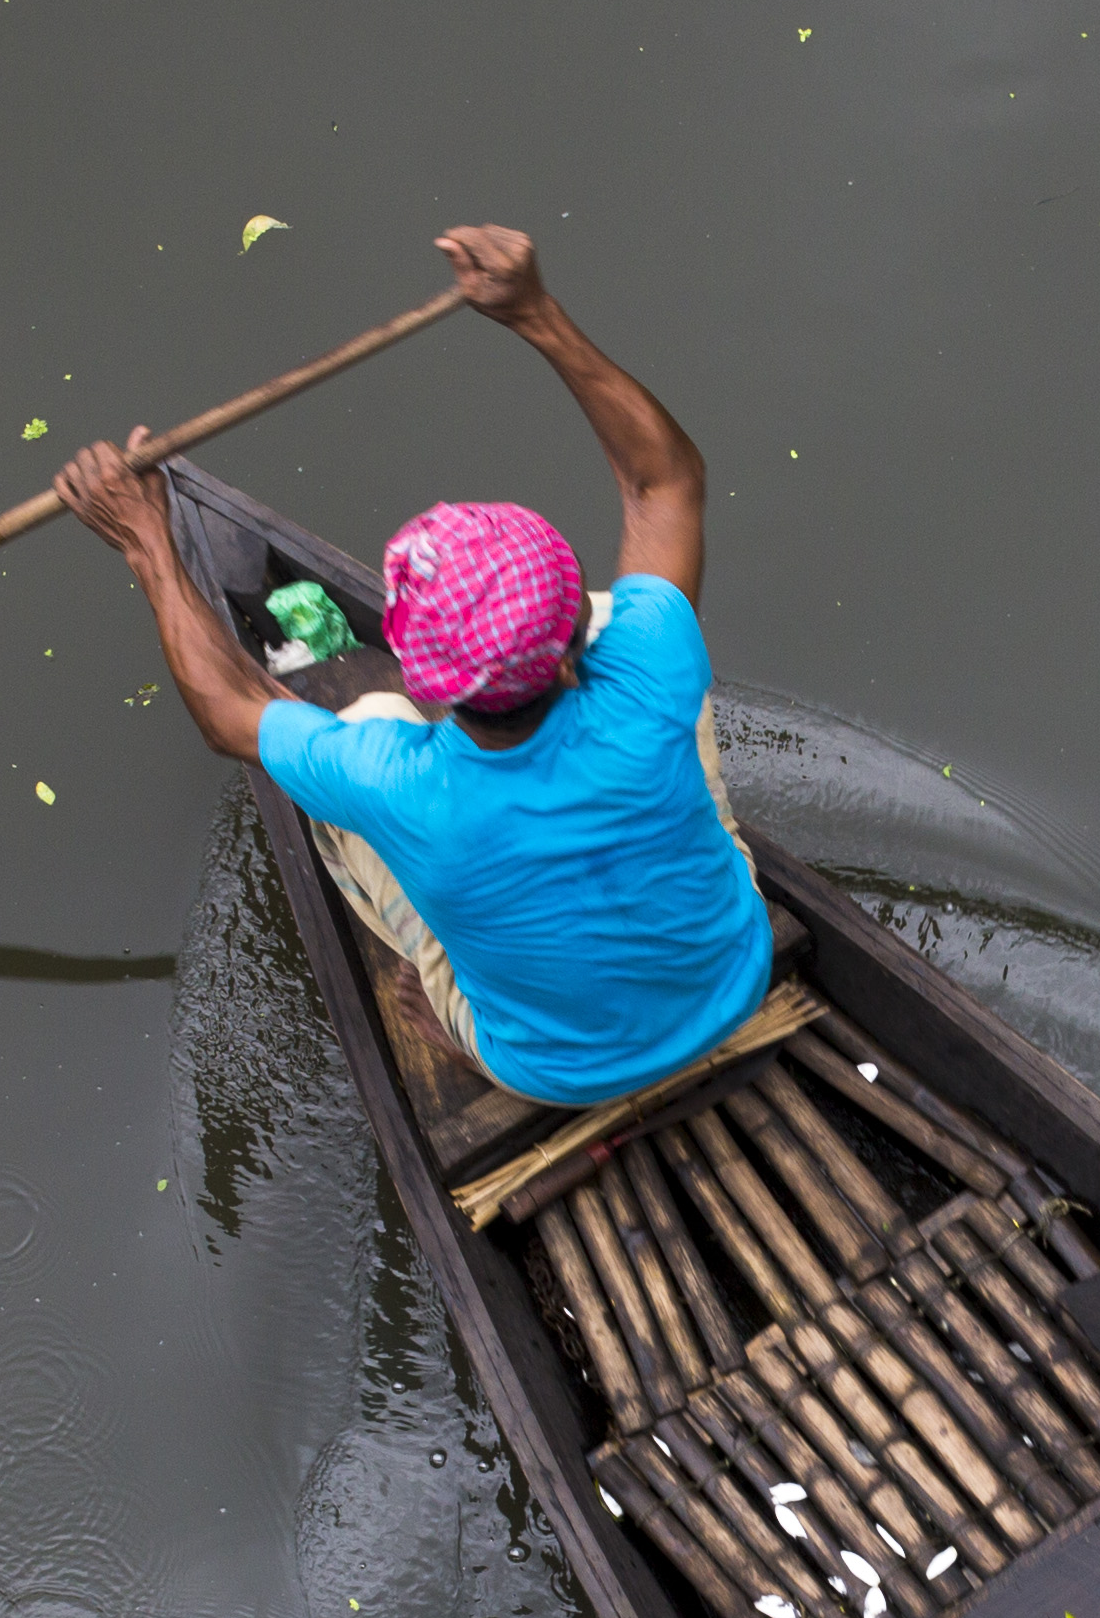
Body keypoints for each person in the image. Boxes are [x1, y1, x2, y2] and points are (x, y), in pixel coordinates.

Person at [52, 224, 767, 1105]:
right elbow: (666, 484)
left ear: (430, 678)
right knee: (651, 619)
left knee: (355, 730)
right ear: (567, 634)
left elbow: (230, 715)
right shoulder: (644, 668)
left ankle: (456, 1022)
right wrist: (536, 313)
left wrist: (147, 543)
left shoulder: (398, 783)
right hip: (739, 979)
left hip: (553, 1073)